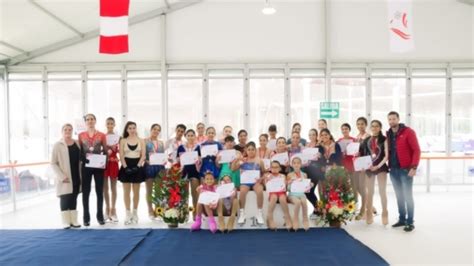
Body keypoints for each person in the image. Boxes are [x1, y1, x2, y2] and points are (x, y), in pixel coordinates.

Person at [386, 111, 420, 232]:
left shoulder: (408, 132)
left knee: (407, 197)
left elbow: (416, 150)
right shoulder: (388, 134)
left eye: (394, 119)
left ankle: (410, 222)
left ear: (398, 119)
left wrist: (414, 167)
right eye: (389, 119)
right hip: (393, 170)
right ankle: (402, 219)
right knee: (399, 196)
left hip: (405, 170)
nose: (391, 121)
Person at [78, 113, 107, 226]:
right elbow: (80, 151)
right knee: (86, 191)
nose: (90, 121)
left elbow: (104, 150)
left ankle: (100, 216)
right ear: (85, 122)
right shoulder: (81, 135)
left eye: (92, 119)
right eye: (88, 119)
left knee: (99, 191)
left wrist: (103, 162)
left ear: (95, 121)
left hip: (98, 166)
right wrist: (83, 160)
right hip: (86, 166)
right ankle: (86, 217)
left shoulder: (101, 135)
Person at [51, 124, 82, 229]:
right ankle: (65, 221)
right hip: (64, 176)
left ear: (72, 131)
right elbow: (53, 163)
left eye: (70, 129)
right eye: (65, 129)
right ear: (62, 131)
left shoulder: (77, 143)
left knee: (74, 197)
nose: (68, 131)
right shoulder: (57, 145)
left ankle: (74, 220)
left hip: (76, 175)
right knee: (65, 197)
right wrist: (61, 176)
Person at [360, 120, 389, 225]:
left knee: (382, 192)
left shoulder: (384, 139)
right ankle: (369, 214)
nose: (374, 128)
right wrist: (365, 165)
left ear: (380, 127)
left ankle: (385, 212)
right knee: (370, 192)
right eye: (372, 126)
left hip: (381, 167)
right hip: (369, 167)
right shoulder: (367, 140)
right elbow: (363, 154)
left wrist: (378, 166)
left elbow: (386, 156)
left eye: (377, 126)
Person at [118, 121, 146, 225]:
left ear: (136, 129)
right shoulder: (123, 140)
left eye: (134, 128)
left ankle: (135, 213)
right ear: (126, 129)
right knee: (126, 192)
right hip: (126, 166)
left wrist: (138, 166)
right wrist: (125, 167)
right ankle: (127, 213)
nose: (132, 130)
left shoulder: (141, 140)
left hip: (137, 166)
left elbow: (143, 155)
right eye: (130, 128)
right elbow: (121, 155)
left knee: (136, 192)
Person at [232, 142, 265, 225]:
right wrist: (237, 160)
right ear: (246, 150)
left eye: (252, 149)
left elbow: (264, 172)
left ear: (255, 150)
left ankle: (259, 212)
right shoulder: (243, 160)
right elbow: (233, 169)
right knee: (242, 191)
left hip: (255, 182)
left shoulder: (259, 160)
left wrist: (261, 178)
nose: (251, 151)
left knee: (260, 191)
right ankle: (242, 213)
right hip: (246, 182)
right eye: (249, 149)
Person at [177, 129, 202, 219]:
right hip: (184, 172)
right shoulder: (181, 147)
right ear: (185, 136)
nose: (190, 137)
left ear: (195, 136)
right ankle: (185, 213)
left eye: (192, 135)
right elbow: (177, 160)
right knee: (184, 194)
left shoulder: (198, 147)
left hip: (195, 172)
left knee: (195, 194)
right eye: (189, 135)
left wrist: (199, 159)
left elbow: (200, 160)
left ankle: (195, 214)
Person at [144, 124, 165, 220]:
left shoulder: (161, 143)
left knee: (158, 190)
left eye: (158, 130)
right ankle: (150, 210)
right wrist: (146, 161)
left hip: (159, 167)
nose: (156, 131)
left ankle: (158, 209)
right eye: (154, 129)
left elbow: (163, 155)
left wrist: (165, 161)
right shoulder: (145, 141)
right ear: (151, 130)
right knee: (149, 190)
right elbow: (142, 155)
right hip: (149, 167)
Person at [337, 123, 359, 217]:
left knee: (354, 186)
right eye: (343, 129)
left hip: (353, 165)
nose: (344, 130)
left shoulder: (354, 140)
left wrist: (356, 152)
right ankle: (345, 206)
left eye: (346, 129)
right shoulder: (339, 141)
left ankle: (355, 206)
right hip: (343, 166)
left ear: (349, 130)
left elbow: (358, 153)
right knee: (344, 187)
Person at [304, 129, 325, 220]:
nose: (311, 136)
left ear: (316, 136)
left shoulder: (320, 146)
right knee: (308, 191)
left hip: (316, 171)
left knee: (309, 191)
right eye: (310, 135)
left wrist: (320, 156)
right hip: (307, 171)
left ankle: (318, 209)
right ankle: (317, 209)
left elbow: (323, 159)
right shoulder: (307, 146)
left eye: (313, 134)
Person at [265, 160, 292, 231]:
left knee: (283, 198)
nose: (274, 169)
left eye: (276, 167)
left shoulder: (283, 176)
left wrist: (288, 182)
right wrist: (266, 180)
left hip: (281, 192)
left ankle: (287, 218)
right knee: (273, 197)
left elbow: (285, 184)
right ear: (270, 168)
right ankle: (269, 218)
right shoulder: (268, 176)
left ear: (280, 168)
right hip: (272, 192)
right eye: (273, 167)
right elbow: (266, 186)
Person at [354, 117, 371, 220]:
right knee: (358, 187)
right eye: (358, 124)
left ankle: (363, 210)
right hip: (358, 164)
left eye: (362, 124)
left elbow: (369, 152)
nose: (360, 126)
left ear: (365, 125)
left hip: (364, 165)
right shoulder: (357, 136)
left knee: (362, 187)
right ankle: (370, 205)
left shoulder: (368, 137)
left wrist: (366, 165)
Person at [287, 157, 311, 231]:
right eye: (294, 163)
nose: (296, 165)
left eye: (298, 163)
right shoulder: (289, 175)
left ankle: (305, 219)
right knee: (297, 202)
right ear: (292, 165)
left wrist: (310, 185)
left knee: (304, 201)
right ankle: (295, 219)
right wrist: (289, 183)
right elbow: (287, 189)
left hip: (301, 194)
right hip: (292, 195)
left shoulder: (304, 175)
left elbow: (306, 187)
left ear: (301, 164)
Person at [104, 117, 120, 223]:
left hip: (114, 163)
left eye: (111, 123)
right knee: (105, 188)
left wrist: (116, 149)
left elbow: (121, 150)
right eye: (108, 123)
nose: (110, 125)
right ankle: (107, 209)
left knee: (113, 187)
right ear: (106, 124)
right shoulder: (102, 136)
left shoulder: (118, 137)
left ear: (114, 124)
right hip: (104, 163)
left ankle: (113, 210)